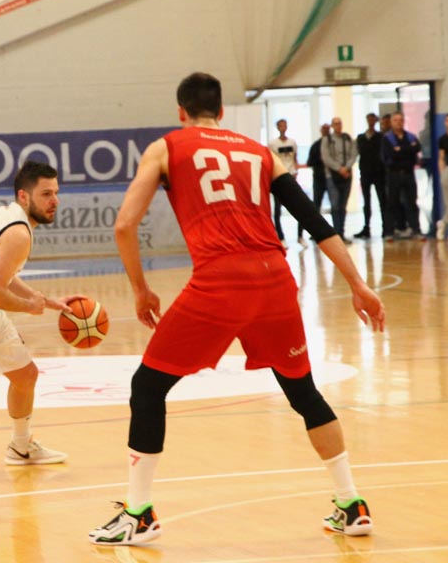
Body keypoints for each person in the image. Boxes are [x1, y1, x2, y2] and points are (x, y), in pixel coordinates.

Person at [90, 72, 385, 546]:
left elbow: (125, 225)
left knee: (148, 387)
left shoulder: (167, 147)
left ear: (181, 112)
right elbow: (314, 220)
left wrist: (141, 290)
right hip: (276, 280)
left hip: (221, 282)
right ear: (222, 111)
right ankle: (352, 504)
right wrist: (358, 283)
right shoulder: (261, 152)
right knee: (303, 392)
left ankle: (138, 513)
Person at [0, 160, 75, 464]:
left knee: (25, 375)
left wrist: (44, 300)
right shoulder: (19, 234)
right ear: (23, 196)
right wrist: (29, 307)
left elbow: (4, 275)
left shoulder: (12, 218)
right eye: (46, 194)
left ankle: (21, 447)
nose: (55, 201)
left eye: (56, 193)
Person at [382, 111, 425, 241]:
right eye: (395, 120)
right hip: (394, 174)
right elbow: (390, 155)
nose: (398, 122)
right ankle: (389, 232)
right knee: (392, 203)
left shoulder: (411, 137)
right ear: (391, 122)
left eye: (401, 120)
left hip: (409, 173)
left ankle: (415, 230)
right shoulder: (387, 138)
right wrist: (406, 151)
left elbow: (416, 149)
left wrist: (400, 150)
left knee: (412, 202)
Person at [267, 119, 306, 248]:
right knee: (277, 210)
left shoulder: (292, 142)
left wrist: (296, 171)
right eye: (280, 126)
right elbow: (271, 160)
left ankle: (300, 236)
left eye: (284, 125)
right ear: (277, 127)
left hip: (291, 177)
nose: (283, 128)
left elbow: (295, 158)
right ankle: (281, 237)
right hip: (279, 178)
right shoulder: (272, 144)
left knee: (299, 208)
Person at [322, 117, 357, 243]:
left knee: (342, 206)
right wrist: (339, 169)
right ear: (332, 126)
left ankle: (341, 233)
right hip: (332, 176)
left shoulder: (347, 139)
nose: (338, 126)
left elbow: (353, 154)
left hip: (346, 175)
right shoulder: (327, 140)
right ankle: (336, 234)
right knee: (335, 206)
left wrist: (346, 168)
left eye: (339, 123)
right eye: (335, 124)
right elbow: (326, 157)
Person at [354, 113, 387, 239]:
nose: (371, 121)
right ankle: (366, 227)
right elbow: (357, 153)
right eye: (369, 119)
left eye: (373, 119)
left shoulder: (380, 137)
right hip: (365, 173)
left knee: (382, 201)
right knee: (366, 202)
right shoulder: (361, 137)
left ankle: (385, 227)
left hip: (378, 173)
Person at [306, 123, 330, 218]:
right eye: (324, 129)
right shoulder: (316, 146)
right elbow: (309, 162)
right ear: (321, 131)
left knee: (335, 204)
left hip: (331, 178)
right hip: (319, 178)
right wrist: (321, 159)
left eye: (327, 129)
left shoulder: (333, 145)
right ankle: (316, 225)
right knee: (317, 203)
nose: (326, 131)